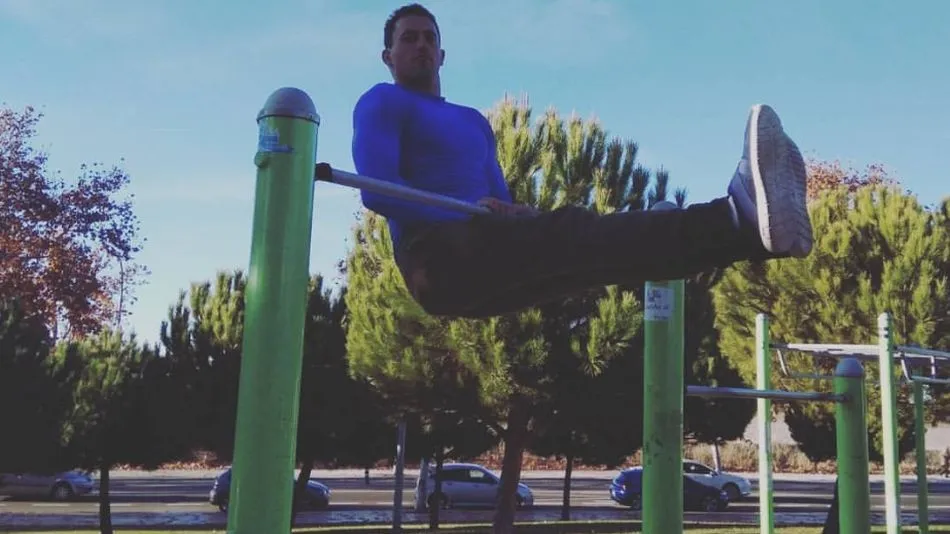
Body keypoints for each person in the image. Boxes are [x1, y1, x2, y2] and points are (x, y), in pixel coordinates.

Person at [351, 3, 813, 318]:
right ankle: (733, 216)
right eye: (408, 39)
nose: (421, 46)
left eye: (429, 38)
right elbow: (377, 191)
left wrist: (514, 213)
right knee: (575, 231)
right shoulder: (382, 102)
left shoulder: (473, 122)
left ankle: (750, 235)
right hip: (436, 258)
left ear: (443, 54)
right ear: (387, 55)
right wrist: (467, 214)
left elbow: (500, 202)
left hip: (480, 247)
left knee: (602, 262)